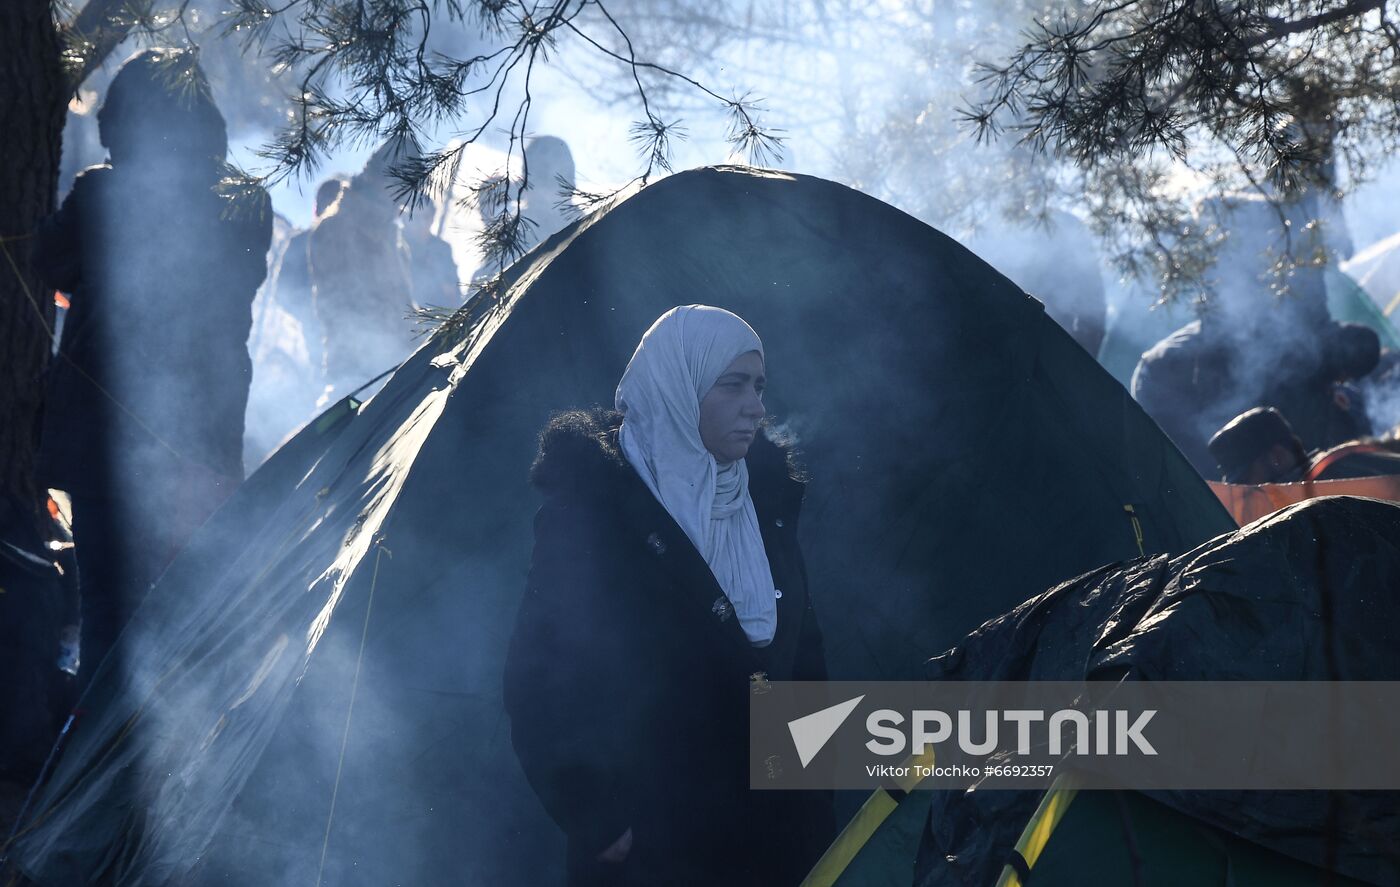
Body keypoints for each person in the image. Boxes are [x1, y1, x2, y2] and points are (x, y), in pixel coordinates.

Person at [504, 305, 834, 886]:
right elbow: (539, 681)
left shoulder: (766, 508)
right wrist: (599, 819)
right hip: (655, 848)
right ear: (678, 389)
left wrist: (811, 811)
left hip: (772, 841)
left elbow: (801, 658)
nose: (755, 405)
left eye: (758, 386)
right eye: (732, 386)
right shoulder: (594, 516)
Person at [35, 48, 272, 684]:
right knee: (192, 601)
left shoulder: (99, 196)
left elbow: (49, 266)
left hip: (106, 439)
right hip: (202, 433)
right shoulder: (246, 202)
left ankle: (103, 763)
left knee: (110, 607)